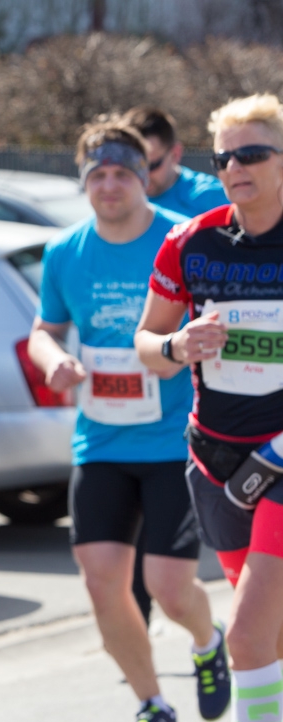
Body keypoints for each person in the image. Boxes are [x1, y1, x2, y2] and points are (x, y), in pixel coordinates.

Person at [27, 117, 228, 722]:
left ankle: (208, 642)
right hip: (101, 441)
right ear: (83, 181)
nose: (109, 185)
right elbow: (45, 329)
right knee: (101, 581)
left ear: (144, 177)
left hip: (174, 440)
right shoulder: (65, 252)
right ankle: (152, 706)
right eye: (97, 174)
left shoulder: (183, 240)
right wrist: (52, 360)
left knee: (169, 587)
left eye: (122, 173)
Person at [135, 93, 283, 722]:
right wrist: (176, 344)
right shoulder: (191, 241)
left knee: (246, 635)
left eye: (251, 153)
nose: (234, 167)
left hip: (281, 458)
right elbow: (146, 343)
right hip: (215, 459)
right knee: (270, 633)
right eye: (223, 157)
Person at [121, 106, 230, 624]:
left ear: (177, 154)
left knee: (170, 564)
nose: (142, 180)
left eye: (152, 166)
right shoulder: (121, 203)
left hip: (195, 397)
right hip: (130, 390)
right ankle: (138, 639)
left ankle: (210, 637)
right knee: (122, 556)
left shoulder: (208, 204)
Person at [124, 106, 228, 218]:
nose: (142, 176)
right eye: (132, 167)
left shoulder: (211, 198)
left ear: (175, 154)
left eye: (152, 166)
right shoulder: (118, 199)